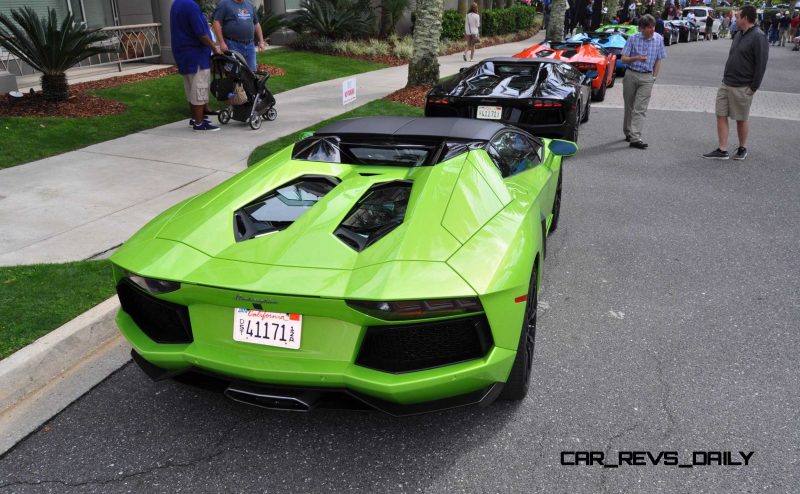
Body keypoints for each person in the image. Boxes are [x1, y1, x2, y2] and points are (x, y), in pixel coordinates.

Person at [702, 5, 768, 161]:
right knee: (721, 114)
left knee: (741, 118)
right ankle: (722, 149)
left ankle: (742, 147)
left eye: (737, 16)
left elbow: (761, 65)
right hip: (727, 83)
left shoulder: (759, 36)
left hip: (743, 86)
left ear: (745, 18)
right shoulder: (739, 34)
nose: (735, 19)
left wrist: (753, 88)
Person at [170, 0, 223, 132]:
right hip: (196, 54)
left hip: (183, 53)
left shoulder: (176, 4)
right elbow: (201, 34)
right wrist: (214, 48)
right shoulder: (191, 6)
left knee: (190, 88)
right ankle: (199, 123)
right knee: (199, 88)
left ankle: (195, 118)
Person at [620, 14, 667, 149]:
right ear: (641, 28)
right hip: (631, 74)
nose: (651, 30)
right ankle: (628, 132)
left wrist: (654, 77)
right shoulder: (633, 39)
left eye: (653, 27)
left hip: (647, 77)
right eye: (648, 27)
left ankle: (635, 137)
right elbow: (623, 59)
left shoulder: (658, 39)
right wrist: (636, 58)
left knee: (640, 108)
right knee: (629, 106)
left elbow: (659, 59)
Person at [211, 0, 266, 71]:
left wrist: (261, 41)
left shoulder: (249, 4)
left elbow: (256, 24)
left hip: (250, 46)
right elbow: (216, 23)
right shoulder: (224, 4)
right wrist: (222, 42)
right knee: (234, 73)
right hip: (232, 44)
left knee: (252, 73)